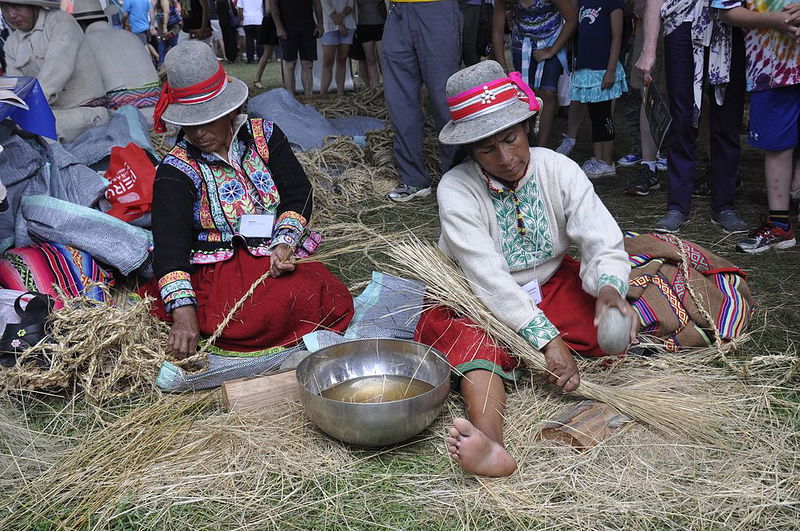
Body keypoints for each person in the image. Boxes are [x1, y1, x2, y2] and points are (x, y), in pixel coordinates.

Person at [415, 61, 634, 477]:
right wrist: (547, 339)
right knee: (474, 348)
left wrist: (609, 291)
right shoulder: (456, 189)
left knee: (609, 332)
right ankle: (489, 443)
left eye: (511, 139)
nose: (506, 157)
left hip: (547, 285)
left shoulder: (558, 169)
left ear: (529, 126)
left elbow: (601, 238)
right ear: (469, 151)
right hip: (473, 298)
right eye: (486, 149)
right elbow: (487, 278)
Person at [143, 41, 354, 357]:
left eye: (208, 120)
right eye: (191, 124)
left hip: (273, 253)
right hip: (220, 267)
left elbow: (298, 194)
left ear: (229, 111)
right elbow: (170, 246)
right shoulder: (176, 170)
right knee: (252, 316)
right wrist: (183, 310)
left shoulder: (264, 136)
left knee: (322, 294)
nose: (199, 133)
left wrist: (284, 242)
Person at [635, 0, 748, 234]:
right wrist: (648, 50)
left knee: (727, 117)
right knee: (682, 117)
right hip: (681, 23)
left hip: (730, 22)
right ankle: (677, 205)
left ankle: (725, 205)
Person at [711, 1, 800, 252]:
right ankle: (780, 225)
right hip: (771, 67)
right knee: (776, 145)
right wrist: (773, 20)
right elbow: (726, 11)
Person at [382, 0, 462, 202]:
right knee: (399, 100)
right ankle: (413, 179)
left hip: (435, 8)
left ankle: (457, 180)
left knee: (444, 98)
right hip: (397, 10)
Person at [3, 0, 109, 142]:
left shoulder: (61, 21)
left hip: (87, 112)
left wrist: (23, 112)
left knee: (22, 126)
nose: (11, 14)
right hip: (47, 112)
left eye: (17, 6)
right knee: (11, 124)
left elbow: (55, 72)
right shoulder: (11, 43)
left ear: (34, 5)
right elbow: (17, 89)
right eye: (4, 8)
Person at [492, 0, 577, 149]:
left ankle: (541, 147)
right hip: (522, 42)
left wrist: (552, 50)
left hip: (552, 39)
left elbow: (571, 19)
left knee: (548, 92)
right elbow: (497, 32)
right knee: (525, 93)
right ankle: (526, 143)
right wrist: (503, 70)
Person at [72, 0, 161, 123]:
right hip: (159, 114)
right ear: (105, 18)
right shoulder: (131, 36)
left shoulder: (84, 44)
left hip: (125, 122)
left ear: (78, 25)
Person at [568, 0, 628, 178]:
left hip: (603, 69)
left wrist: (610, 71)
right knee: (594, 116)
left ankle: (607, 161)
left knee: (604, 116)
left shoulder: (613, 3)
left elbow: (617, 37)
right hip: (587, 69)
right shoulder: (582, 2)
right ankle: (598, 157)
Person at [271, 0, 323, 98]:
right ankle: (291, 99)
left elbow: (317, 2)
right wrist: (278, 26)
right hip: (287, 26)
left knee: (308, 64)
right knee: (290, 64)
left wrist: (320, 24)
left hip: (308, 26)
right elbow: (273, 3)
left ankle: (309, 98)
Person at [320, 0, 356, 95]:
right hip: (329, 24)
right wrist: (339, 23)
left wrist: (342, 16)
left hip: (348, 22)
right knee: (328, 62)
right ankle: (322, 94)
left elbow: (351, 3)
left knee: (342, 59)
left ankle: (340, 93)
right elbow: (325, 3)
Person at [351, 0, 384, 88]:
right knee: (370, 59)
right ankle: (375, 87)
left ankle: (388, 84)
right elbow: (352, 7)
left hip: (380, 25)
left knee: (382, 58)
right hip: (363, 26)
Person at [253, 0, 278, 88]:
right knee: (267, 53)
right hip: (270, 21)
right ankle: (257, 79)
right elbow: (268, 9)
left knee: (284, 54)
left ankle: (287, 79)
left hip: (277, 21)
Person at [152, 0, 182, 66]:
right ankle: (162, 65)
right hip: (167, 26)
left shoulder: (164, 1)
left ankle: (176, 64)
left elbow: (166, 12)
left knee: (171, 46)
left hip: (171, 26)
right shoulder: (158, 2)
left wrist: (164, 26)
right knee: (163, 46)